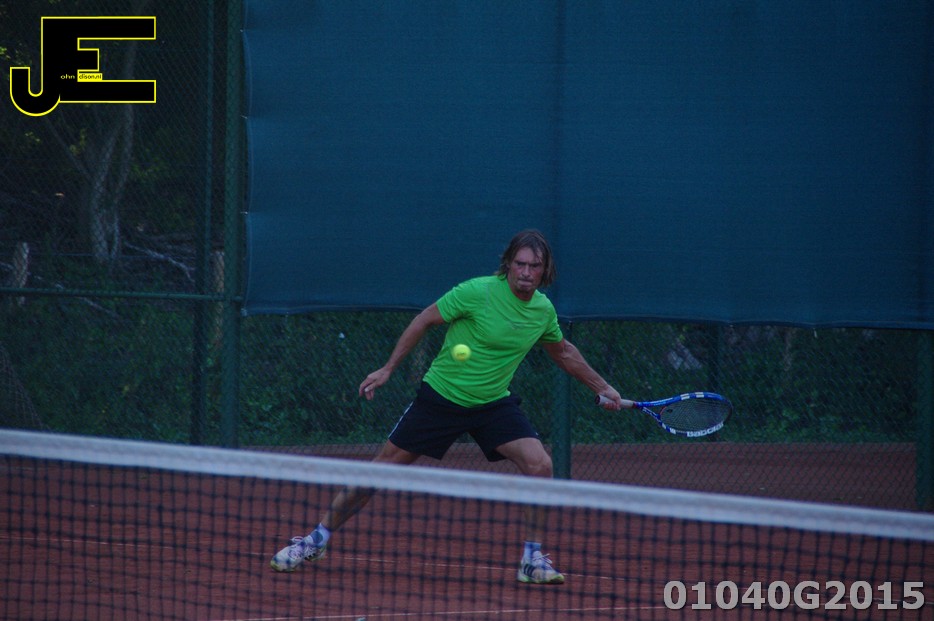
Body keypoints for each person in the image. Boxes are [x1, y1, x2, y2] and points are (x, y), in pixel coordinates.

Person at [270, 229, 623, 584]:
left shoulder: (542, 311)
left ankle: (531, 559)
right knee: (378, 471)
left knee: (540, 465)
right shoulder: (477, 292)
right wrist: (388, 368)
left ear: (545, 270)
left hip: (493, 404)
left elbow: (563, 352)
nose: (526, 272)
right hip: (441, 398)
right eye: (520, 264)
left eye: (535, 266)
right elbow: (424, 319)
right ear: (508, 264)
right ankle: (315, 540)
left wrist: (604, 388)